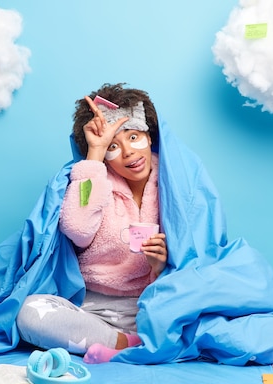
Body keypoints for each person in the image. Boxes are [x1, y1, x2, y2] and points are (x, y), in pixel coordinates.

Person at [16, 83, 168, 364]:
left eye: (134, 137)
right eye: (113, 146)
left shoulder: (174, 181)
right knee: (29, 312)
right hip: (92, 309)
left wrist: (161, 267)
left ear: (150, 136)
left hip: (154, 306)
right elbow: (78, 229)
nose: (128, 153)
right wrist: (95, 155)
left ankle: (142, 338)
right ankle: (127, 345)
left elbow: (197, 252)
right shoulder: (94, 180)